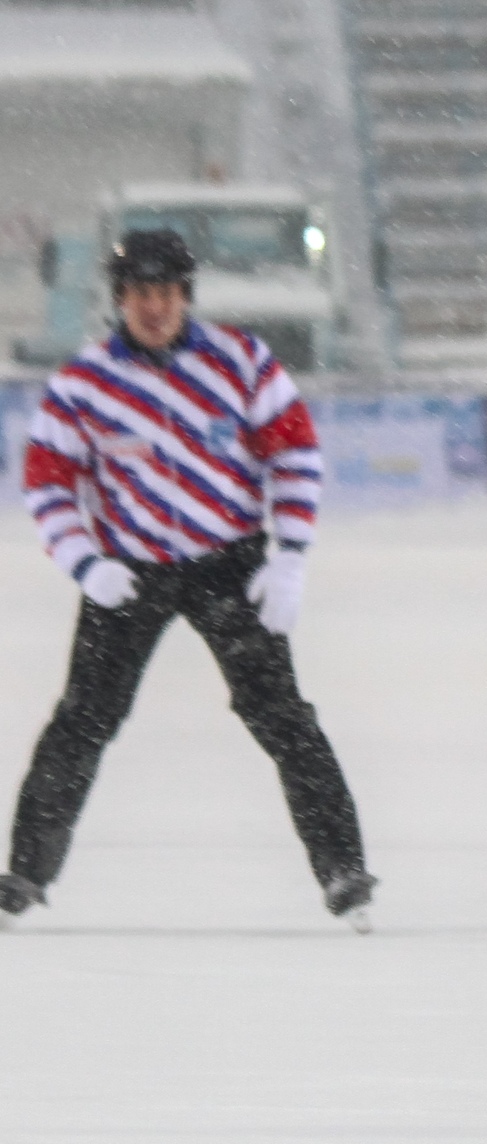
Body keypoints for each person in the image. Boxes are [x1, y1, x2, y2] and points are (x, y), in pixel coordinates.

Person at [4, 230, 374, 929]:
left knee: (283, 719)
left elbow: (293, 454)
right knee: (82, 720)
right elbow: (49, 482)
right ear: (120, 301)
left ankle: (345, 871)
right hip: (128, 572)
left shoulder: (240, 362)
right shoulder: (85, 383)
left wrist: (289, 555)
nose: (154, 307)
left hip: (228, 566)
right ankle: (23, 874)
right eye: (141, 293)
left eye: (167, 292)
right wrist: (88, 564)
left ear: (186, 297)